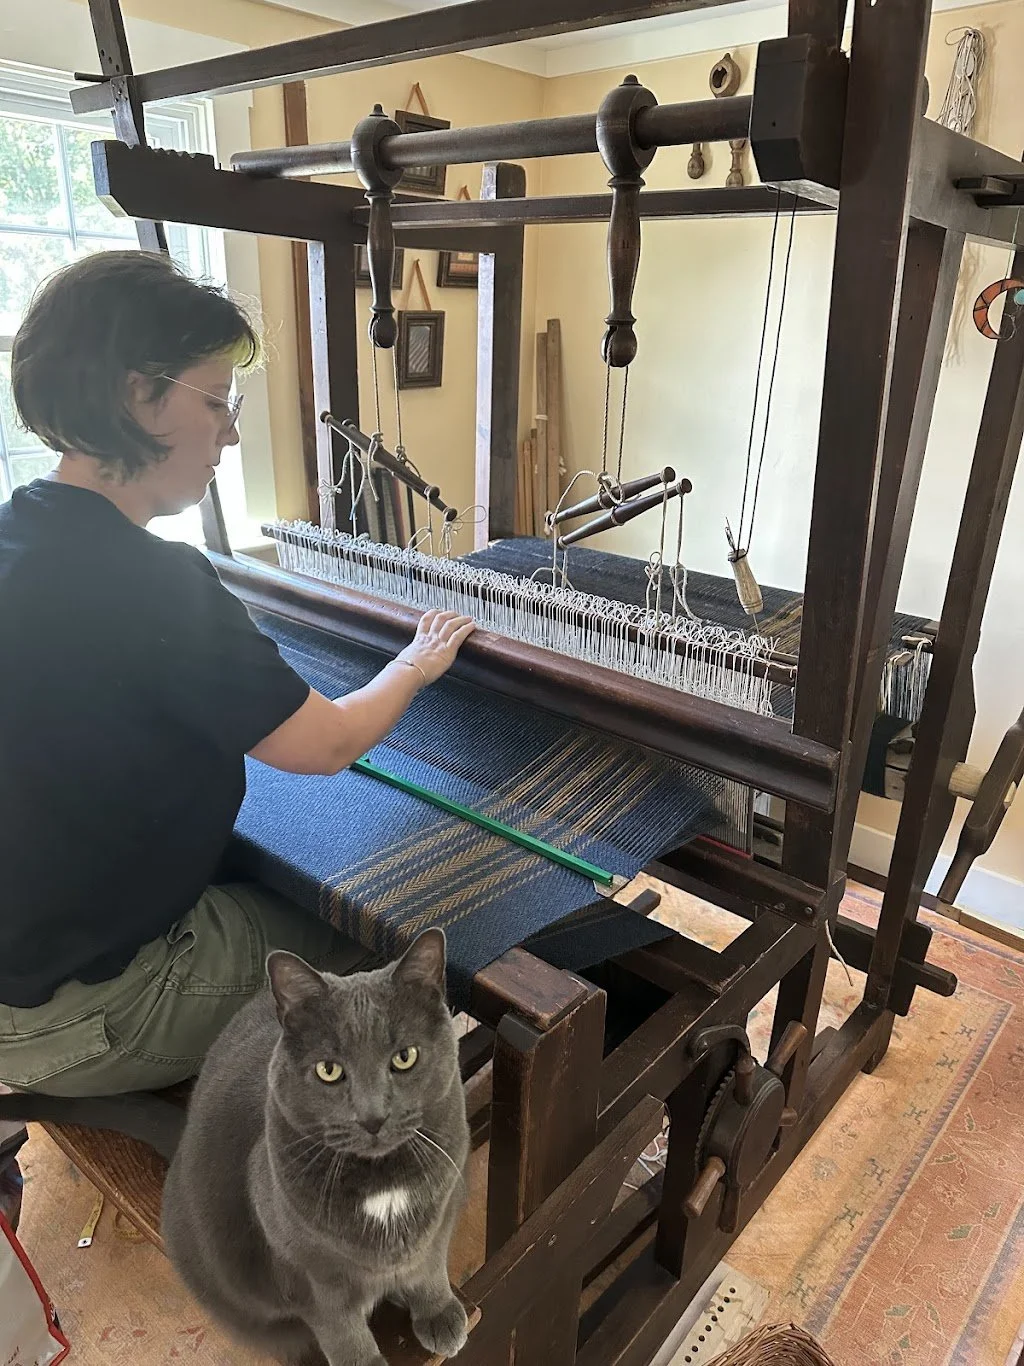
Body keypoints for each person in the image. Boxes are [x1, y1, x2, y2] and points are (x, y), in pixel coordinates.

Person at [0, 250, 474, 1099]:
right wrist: (414, 661)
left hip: (20, 969)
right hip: (83, 1014)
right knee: (390, 933)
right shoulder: (151, 583)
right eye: (216, 403)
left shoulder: (16, 534)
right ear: (135, 396)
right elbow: (328, 745)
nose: (229, 433)